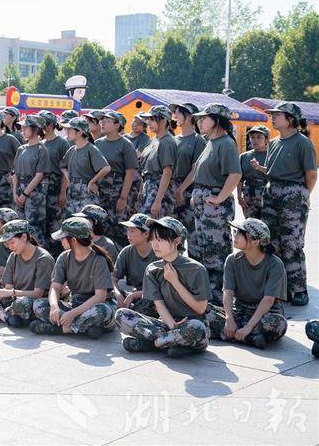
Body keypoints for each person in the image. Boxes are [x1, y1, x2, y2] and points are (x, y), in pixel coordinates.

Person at [115, 217, 212, 356]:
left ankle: (152, 343)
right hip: (166, 324)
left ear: (176, 241)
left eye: (160, 240)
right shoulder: (153, 268)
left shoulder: (196, 269)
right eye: (153, 239)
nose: (155, 244)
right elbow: (158, 304)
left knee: (197, 329)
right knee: (121, 315)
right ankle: (168, 342)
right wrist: (172, 326)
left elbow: (201, 308)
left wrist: (175, 281)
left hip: (191, 324)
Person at [175, 103, 242, 304]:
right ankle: (208, 296)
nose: (200, 121)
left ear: (217, 120)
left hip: (215, 207)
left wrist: (220, 197)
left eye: (205, 118)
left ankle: (219, 300)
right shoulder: (210, 142)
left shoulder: (225, 143)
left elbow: (235, 173)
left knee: (216, 253)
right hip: (203, 205)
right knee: (203, 249)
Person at [255, 102, 316, 306]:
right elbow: (272, 170)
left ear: (290, 119)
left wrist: (301, 197)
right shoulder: (273, 142)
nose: (273, 118)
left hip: (293, 193)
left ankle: (298, 290)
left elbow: (311, 175)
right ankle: (279, 288)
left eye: (277, 115)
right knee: (270, 243)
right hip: (272, 191)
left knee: (292, 243)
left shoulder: (302, 142)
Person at [28, 217, 116, 339]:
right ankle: (86, 328)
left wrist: (72, 314)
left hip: (95, 305)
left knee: (101, 312)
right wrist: (54, 307)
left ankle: (62, 329)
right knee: (39, 305)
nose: (60, 241)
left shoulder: (98, 260)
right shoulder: (64, 257)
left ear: (73, 240)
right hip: (75, 303)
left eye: (63, 238)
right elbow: (55, 287)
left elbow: (100, 297)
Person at [206, 219, 287, 349]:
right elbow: (228, 292)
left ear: (255, 242)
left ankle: (235, 334)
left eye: (240, 233)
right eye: (235, 232)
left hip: (265, 313)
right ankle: (250, 338)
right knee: (203, 313)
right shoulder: (232, 260)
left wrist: (249, 327)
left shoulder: (275, 264)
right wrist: (229, 319)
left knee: (276, 324)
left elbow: (268, 300)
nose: (235, 236)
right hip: (239, 311)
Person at [0, 220, 55, 327]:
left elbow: (37, 294)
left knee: (22, 303)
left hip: (32, 301)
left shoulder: (43, 258)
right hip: (15, 298)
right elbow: (8, 287)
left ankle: (11, 313)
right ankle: (6, 317)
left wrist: (9, 292)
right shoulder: (14, 256)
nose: (10, 247)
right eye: (7, 244)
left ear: (24, 237)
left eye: (12, 242)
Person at [95, 110, 137, 245]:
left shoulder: (125, 145)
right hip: (100, 190)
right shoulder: (98, 143)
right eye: (102, 121)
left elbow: (130, 173)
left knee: (118, 228)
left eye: (107, 121)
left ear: (117, 125)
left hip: (117, 190)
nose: (102, 124)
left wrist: (123, 198)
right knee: (100, 225)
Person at [59, 117, 111, 217]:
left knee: (86, 221)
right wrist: (68, 177)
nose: (67, 132)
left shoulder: (91, 149)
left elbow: (106, 168)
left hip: (86, 192)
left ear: (79, 132)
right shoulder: (71, 149)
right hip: (73, 191)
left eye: (70, 129)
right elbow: (63, 166)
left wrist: (92, 182)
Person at [169, 103, 206, 235]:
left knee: (193, 237)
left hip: (189, 190)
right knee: (171, 236)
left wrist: (181, 189)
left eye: (178, 113)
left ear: (189, 116)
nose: (175, 116)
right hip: (172, 190)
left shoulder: (198, 140)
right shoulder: (173, 140)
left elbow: (195, 169)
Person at [12, 114, 49, 246]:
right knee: (19, 228)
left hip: (34, 194)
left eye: (26, 128)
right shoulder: (21, 149)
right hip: (19, 190)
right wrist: (15, 194)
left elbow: (39, 175)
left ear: (35, 129)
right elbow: (15, 173)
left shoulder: (41, 150)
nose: (23, 130)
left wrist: (25, 194)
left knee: (34, 229)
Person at [112, 213, 158, 317]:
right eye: (128, 230)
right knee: (106, 295)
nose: (128, 234)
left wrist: (135, 295)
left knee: (145, 306)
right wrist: (118, 294)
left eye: (132, 231)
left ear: (146, 234)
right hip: (135, 295)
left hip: (154, 297)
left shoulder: (158, 252)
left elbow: (163, 289)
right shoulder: (127, 251)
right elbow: (113, 278)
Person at [38, 110, 70, 255]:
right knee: (42, 222)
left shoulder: (62, 143)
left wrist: (63, 192)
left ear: (50, 125)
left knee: (56, 224)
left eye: (43, 123)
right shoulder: (40, 143)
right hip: (41, 186)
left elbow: (65, 171)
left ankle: (57, 256)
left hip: (55, 186)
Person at [137, 106, 177, 219]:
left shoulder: (167, 142)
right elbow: (145, 169)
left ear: (164, 120)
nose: (148, 122)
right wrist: (141, 190)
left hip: (158, 189)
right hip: (149, 188)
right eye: (148, 119)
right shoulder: (154, 140)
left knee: (153, 228)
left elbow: (167, 172)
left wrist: (158, 201)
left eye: (152, 119)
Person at [238, 125, 270, 219]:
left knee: (267, 224)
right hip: (249, 194)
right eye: (252, 137)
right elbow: (239, 179)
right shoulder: (244, 156)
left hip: (267, 193)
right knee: (250, 225)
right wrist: (239, 197)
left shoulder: (272, 155)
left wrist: (258, 167)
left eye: (259, 137)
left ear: (267, 140)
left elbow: (275, 173)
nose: (255, 140)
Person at [124, 114, 151, 216]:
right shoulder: (125, 137)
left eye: (139, 123)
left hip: (135, 177)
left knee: (132, 206)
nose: (135, 125)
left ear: (144, 127)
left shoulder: (144, 138)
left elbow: (137, 155)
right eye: (134, 121)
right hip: (123, 174)